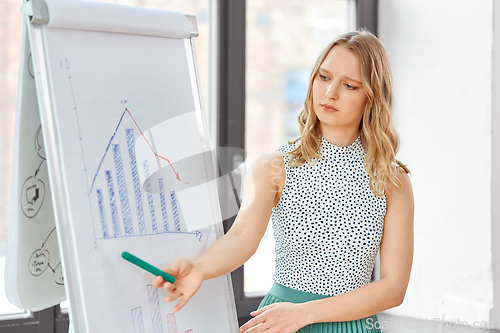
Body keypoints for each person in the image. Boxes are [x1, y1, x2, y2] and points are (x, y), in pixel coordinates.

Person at [152, 30, 414, 333]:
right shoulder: (275, 166)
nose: (330, 93)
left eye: (349, 85)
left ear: (372, 96)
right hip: (279, 322)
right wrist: (198, 268)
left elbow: (394, 288)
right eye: (324, 77)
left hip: (348, 325)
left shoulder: (392, 181)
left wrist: (305, 314)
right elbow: (241, 237)